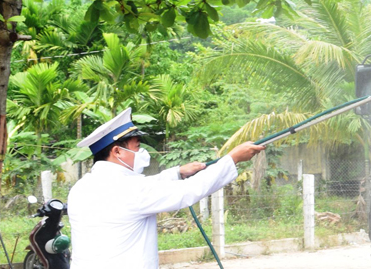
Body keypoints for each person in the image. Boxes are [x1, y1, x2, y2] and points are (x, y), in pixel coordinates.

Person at [67, 107, 265, 269]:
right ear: (117, 151)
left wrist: (177, 172)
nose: (142, 152)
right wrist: (232, 159)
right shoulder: (130, 189)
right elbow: (187, 192)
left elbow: (145, 187)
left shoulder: (83, 187)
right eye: (136, 147)